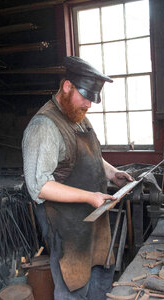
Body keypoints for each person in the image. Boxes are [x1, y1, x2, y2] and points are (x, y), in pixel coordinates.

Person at [22, 56, 134, 299]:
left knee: (100, 273)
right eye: (85, 97)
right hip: (68, 226)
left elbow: (88, 155)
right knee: (73, 284)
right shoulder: (45, 126)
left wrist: (112, 173)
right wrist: (90, 196)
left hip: (94, 218)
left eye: (92, 100)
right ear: (67, 86)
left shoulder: (76, 114)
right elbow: (39, 186)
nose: (88, 105)